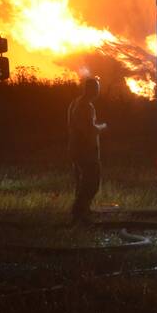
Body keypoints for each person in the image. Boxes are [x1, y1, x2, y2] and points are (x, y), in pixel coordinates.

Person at [67, 76, 107, 224]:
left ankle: (83, 210)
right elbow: (89, 130)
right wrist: (102, 127)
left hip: (75, 148)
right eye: (96, 88)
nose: (98, 91)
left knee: (82, 181)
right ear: (92, 89)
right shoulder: (86, 106)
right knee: (92, 181)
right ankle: (78, 211)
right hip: (86, 151)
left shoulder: (75, 103)